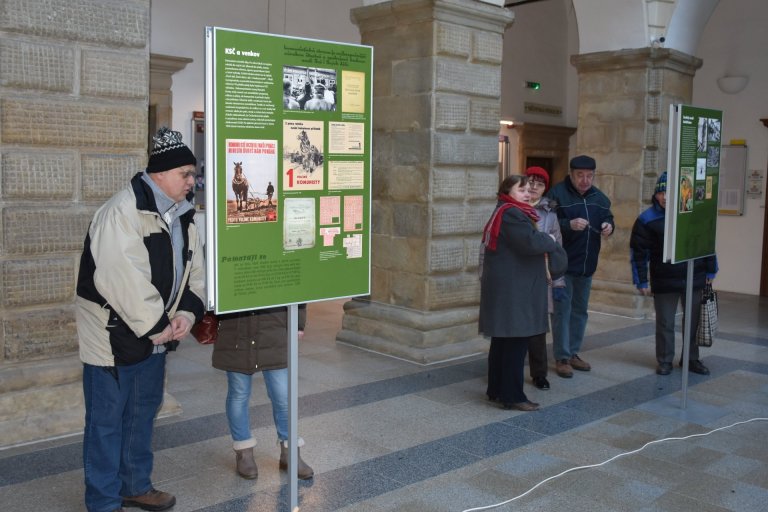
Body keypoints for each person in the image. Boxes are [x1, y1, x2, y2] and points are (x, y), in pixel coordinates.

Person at [76, 127, 205, 512]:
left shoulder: (183, 215)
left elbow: (194, 270)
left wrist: (186, 313)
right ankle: (102, 501)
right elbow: (121, 278)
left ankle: (135, 485)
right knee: (106, 423)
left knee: (141, 415)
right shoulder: (122, 211)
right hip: (114, 336)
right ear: (161, 174)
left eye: (193, 174)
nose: (191, 181)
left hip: (156, 333)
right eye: (185, 173)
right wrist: (159, 326)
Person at [479, 175, 567, 411]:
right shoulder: (512, 213)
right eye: (522, 190)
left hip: (510, 288)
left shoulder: (508, 210)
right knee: (515, 345)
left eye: (529, 190)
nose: (528, 194)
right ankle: (513, 395)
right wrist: (548, 238)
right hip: (514, 291)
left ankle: (497, 390)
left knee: (503, 342)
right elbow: (530, 243)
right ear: (507, 191)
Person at [212, 306, 314, 480]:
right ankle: (244, 453)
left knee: (283, 396)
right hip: (235, 330)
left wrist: (298, 323)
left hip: (274, 329)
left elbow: (297, 285)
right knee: (239, 393)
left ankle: (290, 453)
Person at [630, 172, 716, 375]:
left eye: (670, 192)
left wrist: (711, 268)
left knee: (693, 322)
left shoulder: (695, 215)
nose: (665, 197)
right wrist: (641, 280)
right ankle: (665, 360)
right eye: (661, 192)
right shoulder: (647, 220)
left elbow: (707, 244)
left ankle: (691, 359)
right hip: (664, 279)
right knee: (665, 322)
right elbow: (639, 254)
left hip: (694, 277)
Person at [547, 155, 614, 378]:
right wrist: (568, 224)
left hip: (587, 265)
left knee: (579, 312)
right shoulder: (556, 194)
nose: (585, 180)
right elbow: (545, 224)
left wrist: (608, 226)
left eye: (589, 175)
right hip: (562, 265)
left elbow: (608, 216)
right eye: (580, 175)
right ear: (571, 174)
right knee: (561, 313)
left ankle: (574, 352)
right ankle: (562, 357)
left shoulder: (600, 198)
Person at [524, 166, 565, 390]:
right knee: (517, 322)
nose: (533, 187)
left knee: (539, 326)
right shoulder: (515, 207)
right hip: (520, 274)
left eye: (539, 184)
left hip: (542, 274)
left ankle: (539, 373)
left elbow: (557, 244)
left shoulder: (549, 212)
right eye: (530, 182)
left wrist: (559, 280)